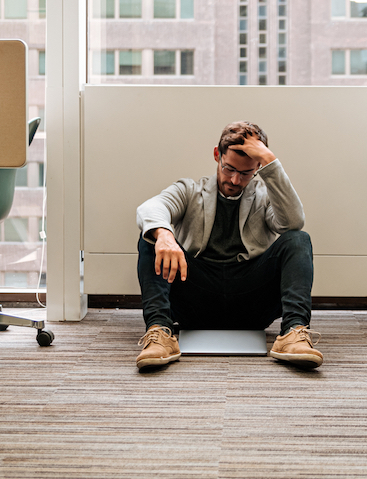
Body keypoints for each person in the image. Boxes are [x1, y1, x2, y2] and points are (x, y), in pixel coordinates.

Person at [134, 121, 320, 371]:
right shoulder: (190, 190)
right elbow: (150, 208)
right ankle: (159, 332)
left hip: (251, 300)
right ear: (216, 155)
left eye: (245, 173)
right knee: (151, 238)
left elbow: (294, 222)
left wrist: (270, 160)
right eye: (229, 168)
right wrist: (164, 234)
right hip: (195, 297)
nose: (234, 180)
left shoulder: (264, 196)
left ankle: (294, 333)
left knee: (298, 239)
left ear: (257, 168)